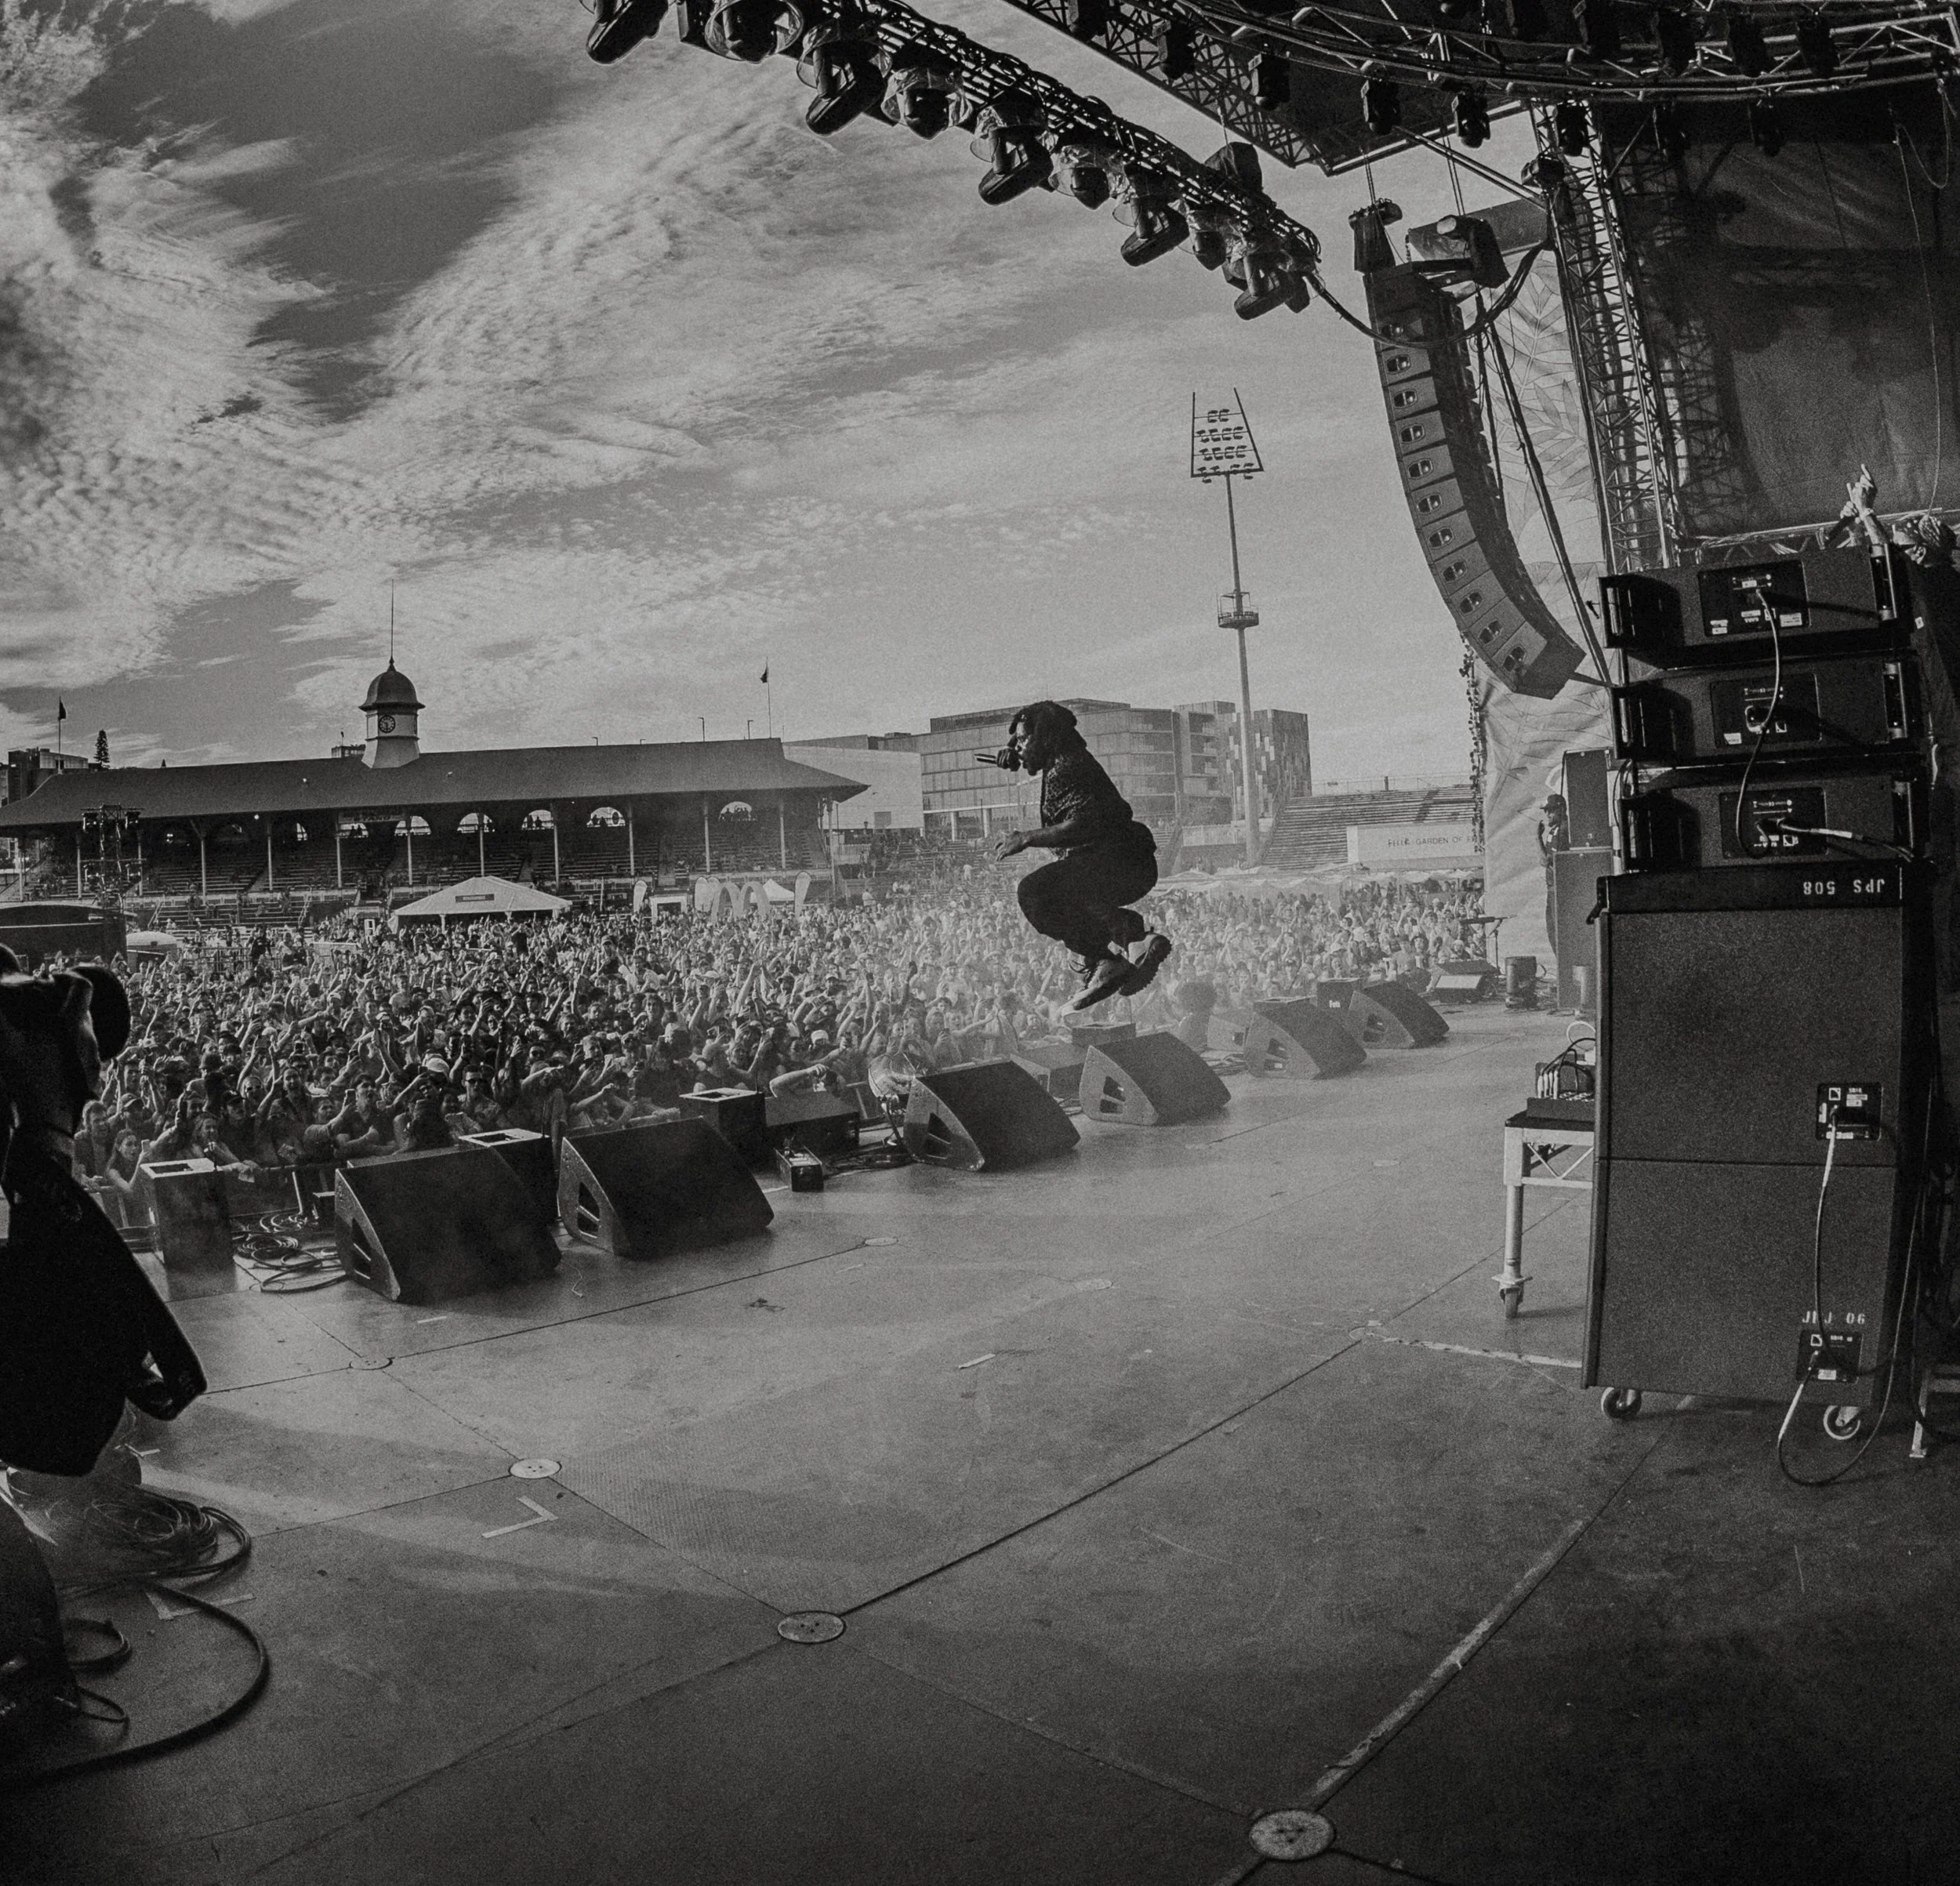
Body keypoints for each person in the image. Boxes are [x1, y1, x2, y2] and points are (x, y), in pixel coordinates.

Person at [989, 700, 1173, 1010]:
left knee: (1034, 892)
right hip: (1125, 863)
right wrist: (1016, 748)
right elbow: (1031, 746)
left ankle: (1113, 955)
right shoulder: (1064, 759)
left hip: (1119, 862)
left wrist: (1026, 838)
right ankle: (1129, 942)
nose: (1016, 747)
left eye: (1022, 740)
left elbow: (1085, 824)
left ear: (1045, 737)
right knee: (1069, 895)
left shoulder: (1066, 768)